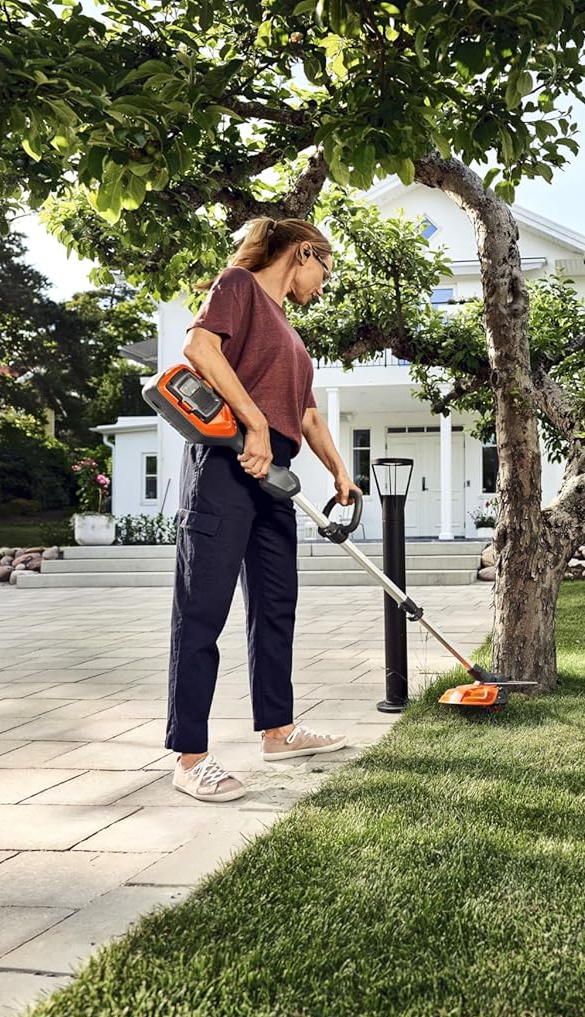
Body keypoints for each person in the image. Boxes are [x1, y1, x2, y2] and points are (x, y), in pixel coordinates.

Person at [167, 217, 361, 803]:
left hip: (275, 474)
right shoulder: (239, 286)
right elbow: (199, 347)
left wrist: (338, 470)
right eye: (325, 269)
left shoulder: (291, 334)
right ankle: (189, 756)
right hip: (227, 460)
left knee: (276, 605)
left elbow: (305, 414)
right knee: (202, 609)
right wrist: (252, 422)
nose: (325, 284)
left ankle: (278, 731)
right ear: (304, 252)